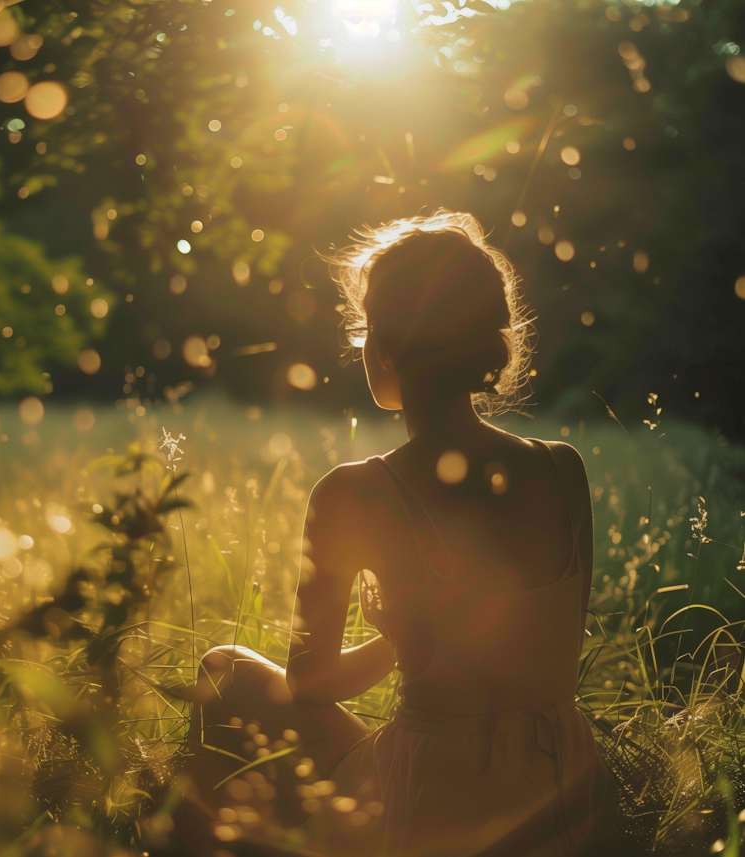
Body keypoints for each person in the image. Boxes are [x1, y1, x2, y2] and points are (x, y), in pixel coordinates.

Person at [178, 212, 615, 856]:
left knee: (225, 672)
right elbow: (546, 661)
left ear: (382, 345)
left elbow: (311, 684)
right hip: (565, 795)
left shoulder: (354, 493)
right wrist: (422, 633)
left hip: (434, 802)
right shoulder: (562, 468)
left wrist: (395, 643)